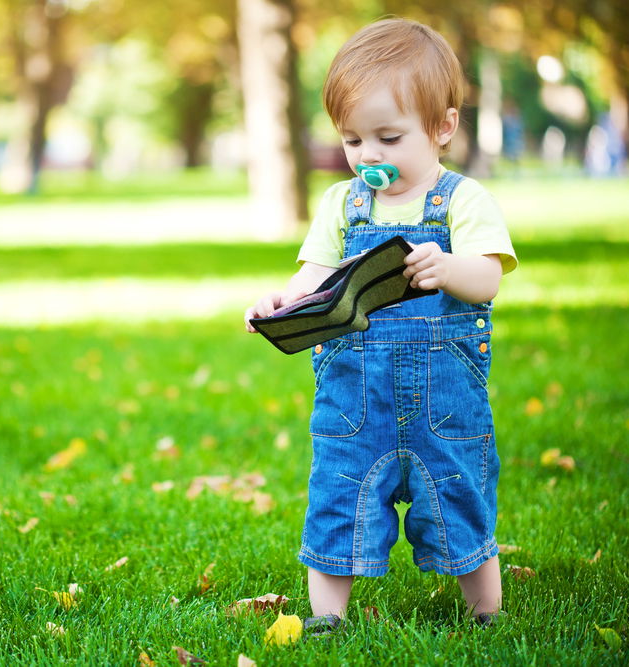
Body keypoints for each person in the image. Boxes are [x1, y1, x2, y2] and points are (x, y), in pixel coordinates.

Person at [244, 17, 518, 633]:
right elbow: (314, 274)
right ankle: (327, 618)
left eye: (388, 138)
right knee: (338, 496)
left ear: (443, 127)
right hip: (354, 402)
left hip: (444, 407)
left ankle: (487, 613)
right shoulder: (342, 204)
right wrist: (280, 305)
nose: (368, 156)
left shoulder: (463, 200)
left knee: (457, 496)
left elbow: (488, 280)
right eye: (352, 140)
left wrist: (447, 267)